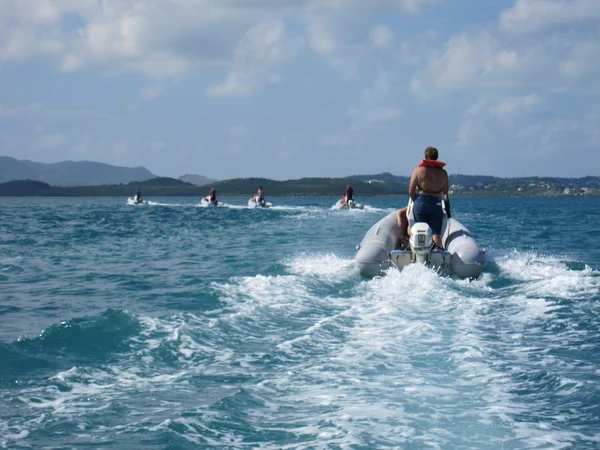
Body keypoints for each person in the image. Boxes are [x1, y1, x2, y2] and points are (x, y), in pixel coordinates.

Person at [408, 146, 449, 250]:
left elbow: (411, 191)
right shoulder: (443, 173)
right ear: (437, 158)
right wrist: (447, 209)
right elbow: (445, 194)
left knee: (420, 230)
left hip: (420, 202)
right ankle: (437, 253)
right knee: (435, 233)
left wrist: (416, 200)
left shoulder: (418, 171)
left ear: (425, 157)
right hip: (436, 203)